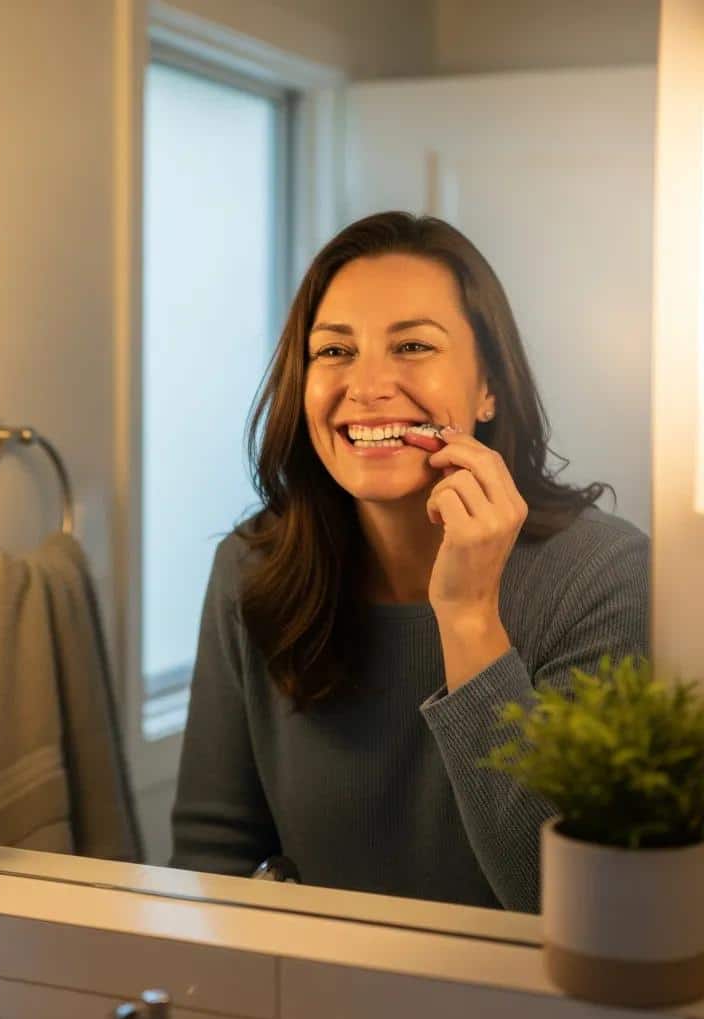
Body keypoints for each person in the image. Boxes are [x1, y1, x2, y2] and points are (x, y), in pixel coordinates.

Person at [170, 212, 649, 913]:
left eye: (414, 345)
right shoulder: (251, 567)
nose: (367, 387)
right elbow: (211, 857)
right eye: (334, 352)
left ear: (488, 387)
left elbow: (568, 904)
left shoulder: (605, 575)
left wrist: (467, 616)